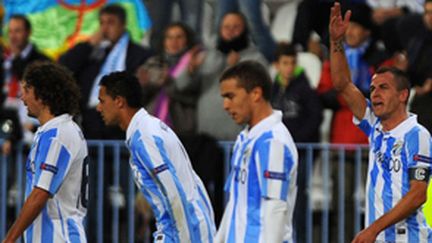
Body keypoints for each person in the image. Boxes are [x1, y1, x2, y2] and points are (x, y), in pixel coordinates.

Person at [329, 2, 432, 242]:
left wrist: (373, 229)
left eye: (383, 88)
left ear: (402, 95)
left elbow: (418, 196)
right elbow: (343, 84)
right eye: (373, 87)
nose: (374, 93)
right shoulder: (374, 125)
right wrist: (336, 43)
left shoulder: (417, 135)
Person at [96, 71, 215, 242]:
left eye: (102, 101)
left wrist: (183, 237)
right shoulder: (148, 128)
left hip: (183, 231)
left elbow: (173, 191)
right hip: (186, 226)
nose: (98, 108)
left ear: (119, 101)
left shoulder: (144, 137)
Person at [2, 62, 88, 243]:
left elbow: (40, 195)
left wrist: (9, 239)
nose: (21, 97)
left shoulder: (58, 135)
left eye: (26, 90)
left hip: (59, 237)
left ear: (41, 95)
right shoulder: (50, 132)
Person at [215, 61, 298, 243]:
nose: (225, 106)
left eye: (230, 96)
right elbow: (235, 202)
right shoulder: (245, 139)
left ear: (255, 94)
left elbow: (275, 208)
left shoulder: (273, 142)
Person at [59, 4, 152, 140]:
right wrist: (89, 44)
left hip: (123, 127)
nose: (105, 28)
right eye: (102, 23)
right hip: (91, 124)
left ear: (123, 24)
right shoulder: (93, 54)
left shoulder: (140, 54)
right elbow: (64, 67)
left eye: (111, 22)